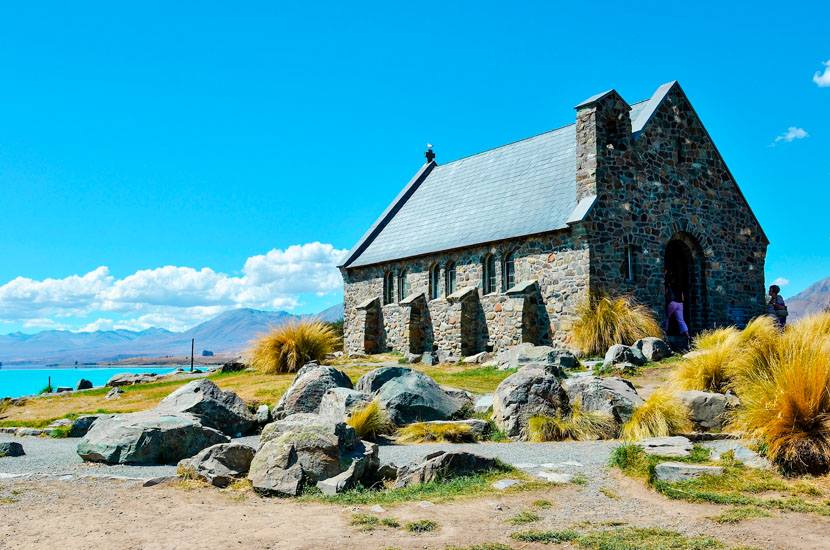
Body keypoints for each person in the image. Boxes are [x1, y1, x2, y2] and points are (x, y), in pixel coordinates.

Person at [664, 276, 689, 342]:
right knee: (681, 320)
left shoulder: (670, 286)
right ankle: (687, 334)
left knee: (667, 318)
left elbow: (665, 294)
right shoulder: (680, 287)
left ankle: (665, 333)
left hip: (673, 303)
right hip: (680, 304)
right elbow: (683, 298)